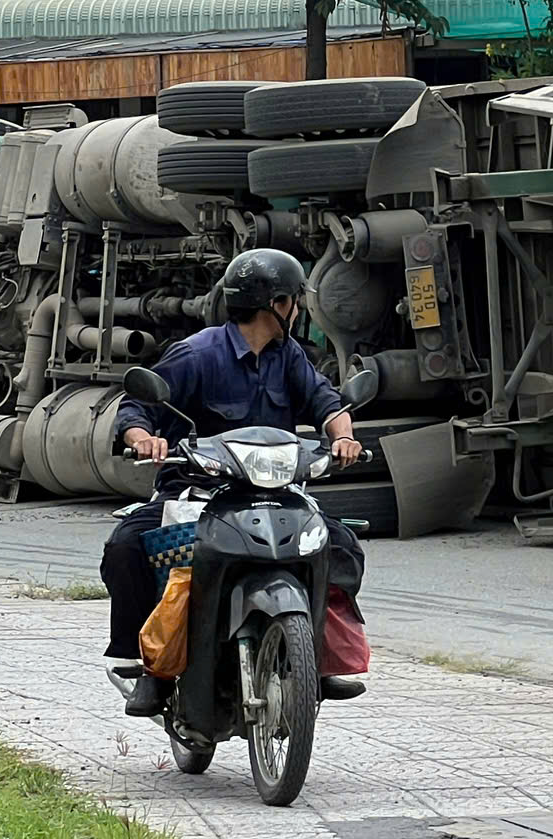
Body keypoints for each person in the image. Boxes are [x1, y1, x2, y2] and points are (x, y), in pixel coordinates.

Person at [107, 248, 366, 718]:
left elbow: (326, 403)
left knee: (341, 545)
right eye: (294, 301)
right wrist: (143, 438)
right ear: (277, 304)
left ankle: (319, 656)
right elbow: (136, 408)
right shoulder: (197, 354)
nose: (297, 311)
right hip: (199, 492)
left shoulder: (289, 357)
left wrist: (344, 438)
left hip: (274, 492)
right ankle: (147, 666)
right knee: (127, 545)